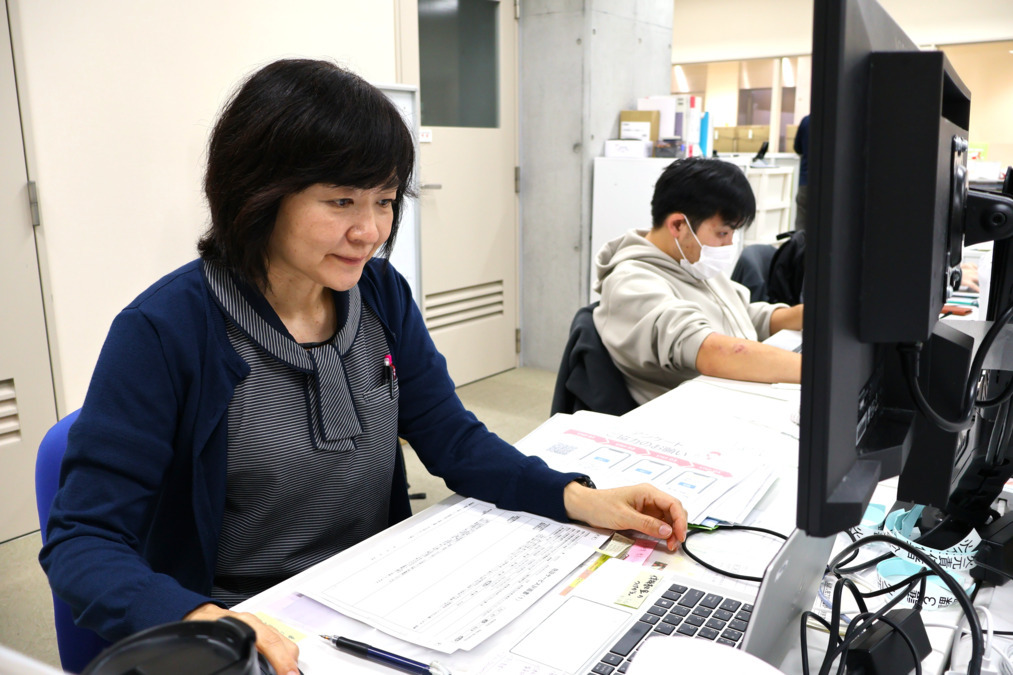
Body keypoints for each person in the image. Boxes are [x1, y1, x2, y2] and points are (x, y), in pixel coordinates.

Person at [39, 59, 688, 675]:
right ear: (258, 195)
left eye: (383, 200)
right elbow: (81, 539)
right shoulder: (166, 330)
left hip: (376, 604)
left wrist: (577, 497)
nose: (371, 230)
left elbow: (452, 438)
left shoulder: (380, 295)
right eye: (341, 201)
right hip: (248, 627)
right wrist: (207, 622)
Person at [593, 157, 804, 405]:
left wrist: (808, 316)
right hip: (690, 420)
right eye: (723, 233)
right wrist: (817, 372)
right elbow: (710, 350)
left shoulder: (691, 262)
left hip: (731, 398)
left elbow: (743, 315)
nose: (729, 243)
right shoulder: (632, 282)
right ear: (678, 225)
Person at [793, 115, 810, 230]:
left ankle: (799, 248)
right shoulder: (840, 121)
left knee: (801, 226)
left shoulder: (806, 121)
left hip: (805, 182)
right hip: (830, 185)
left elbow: (797, 148)